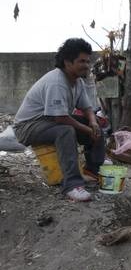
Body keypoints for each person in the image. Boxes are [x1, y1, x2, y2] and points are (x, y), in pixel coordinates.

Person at [13, 38, 105, 202]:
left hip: (50, 121)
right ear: (67, 62)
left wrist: (93, 123)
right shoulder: (57, 81)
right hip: (27, 127)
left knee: (98, 126)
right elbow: (61, 118)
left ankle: (91, 171)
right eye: (81, 61)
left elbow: (87, 108)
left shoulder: (77, 81)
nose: (87, 65)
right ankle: (72, 185)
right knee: (65, 131)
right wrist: (88, 130)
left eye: (88, 61)